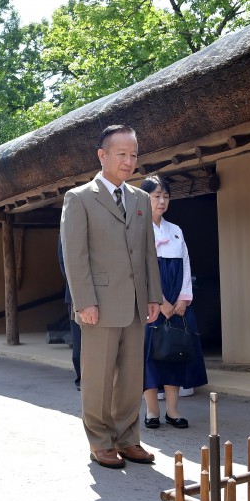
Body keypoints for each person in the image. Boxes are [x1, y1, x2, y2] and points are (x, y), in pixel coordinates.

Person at [60, 125, 162, 470]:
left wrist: (152, 295)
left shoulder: (139, 199)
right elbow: (75, 256)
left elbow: (149, 251)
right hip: (98, 303)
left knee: (132, 376)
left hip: (136, 302)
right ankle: (101, 442)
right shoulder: (79, 197)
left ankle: (128, 438)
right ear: (102, 155)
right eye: (121, 154)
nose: (129, 160)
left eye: (133, 154)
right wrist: (84, 301)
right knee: (98, 377)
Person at [139, 176, 208, 429]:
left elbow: (186, 265)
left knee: (175, 353)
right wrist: (159, 300)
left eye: (165, 196)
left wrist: (183, 299)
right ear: (144, 198)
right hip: (151, 304)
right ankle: (152, 411)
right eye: (156, 196)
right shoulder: (138, 230)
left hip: (178, 303)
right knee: (149, 357)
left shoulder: (176, 230)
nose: (161, 201)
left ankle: (173, 410)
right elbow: (140, 272)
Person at [57, 234, 81, 390]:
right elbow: (63, 261)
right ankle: (82, 377)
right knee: (79, 338)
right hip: (75, 293)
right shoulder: (66, 231)